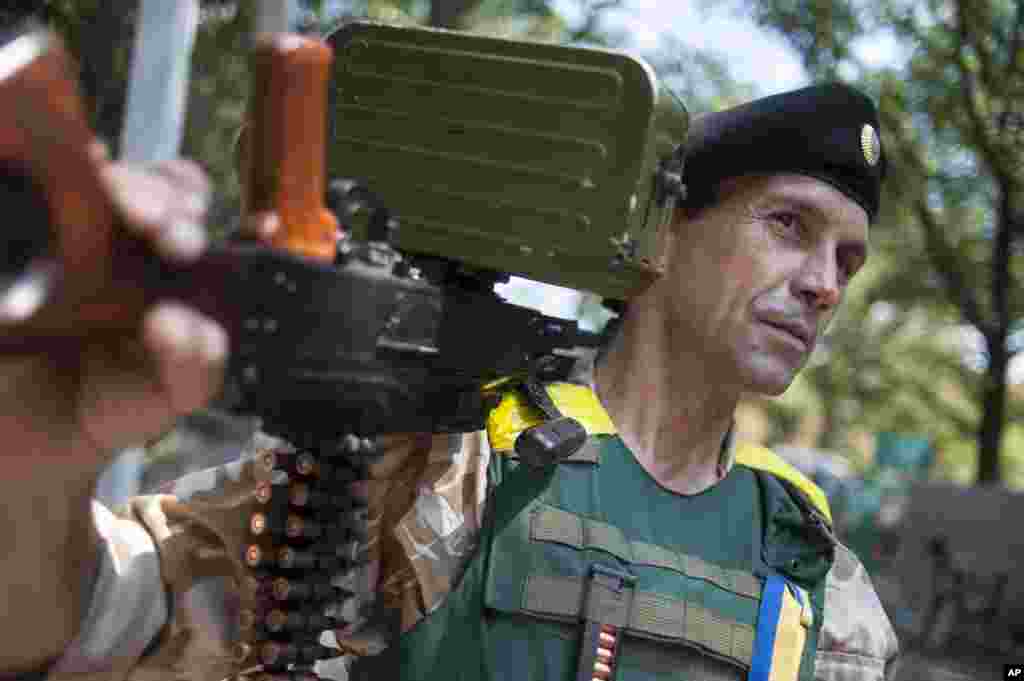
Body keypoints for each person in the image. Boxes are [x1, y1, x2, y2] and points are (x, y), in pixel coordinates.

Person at [0, 83, 899, 681]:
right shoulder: (450, 467)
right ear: (663, 235)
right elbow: (105, 619)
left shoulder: (814, 572)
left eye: (846, 261)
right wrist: (39, 460)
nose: (824, 282)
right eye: (789, 225)